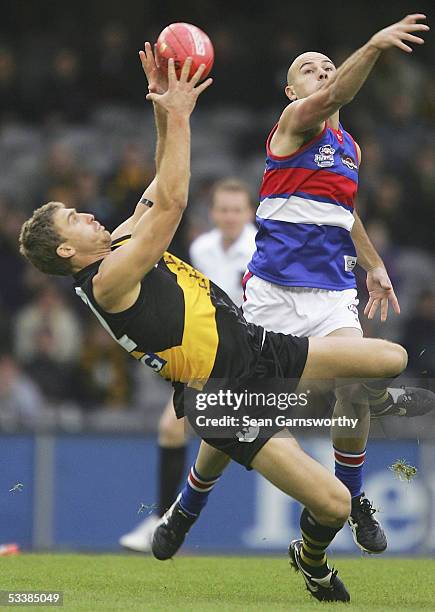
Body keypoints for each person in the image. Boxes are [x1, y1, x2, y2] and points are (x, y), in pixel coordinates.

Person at [16, 47, 418, 604]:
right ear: (66, 249)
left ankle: (192, 503)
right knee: (333, 505)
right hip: (222, 393)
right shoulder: (109, 279)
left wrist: (162, 105)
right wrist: (182, 116)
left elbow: (158, 183)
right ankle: (309, 559)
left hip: (257, 347)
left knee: (390, 361)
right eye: (74, 220)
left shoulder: (117, 242)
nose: (87, 214)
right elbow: (175, 199)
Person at [154, 12, 432, 565]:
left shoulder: (350, 146)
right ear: (291, 90)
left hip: (331, 295)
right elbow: (330, 99)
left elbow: (341, 212)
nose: (322, 72)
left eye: (328, 66)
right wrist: (373, 45)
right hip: (273, 297)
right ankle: (187, 504)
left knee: (358, 382)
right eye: (310, 69)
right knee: (241, 414)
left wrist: (373, 264)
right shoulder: (293, 123)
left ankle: (350, 500)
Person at [119, 176, 257, 552]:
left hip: (254, 352)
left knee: (246, 443)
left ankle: (166, 521)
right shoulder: (202, 247)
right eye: (223, 210)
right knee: (172, 429)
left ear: (250, 213)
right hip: (209, 353)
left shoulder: (262, 247)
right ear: (213, 213)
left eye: (237, 210)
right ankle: (162, 521)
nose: (229, 217)